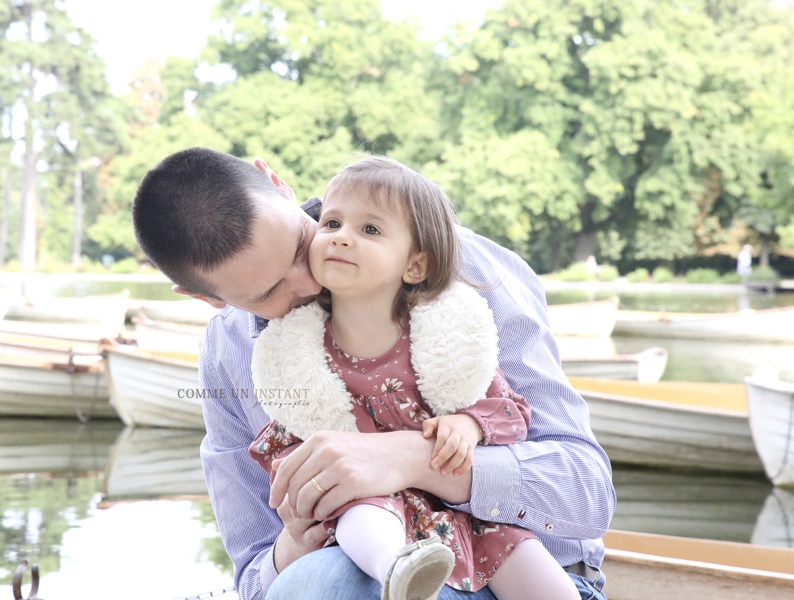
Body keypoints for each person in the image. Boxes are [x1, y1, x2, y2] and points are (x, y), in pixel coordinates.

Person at [131, 147, 615, 600]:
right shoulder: (227, 352)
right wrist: (294, 542)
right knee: (326, 577)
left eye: (303, 242)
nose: (311, 278)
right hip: (346, 574)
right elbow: (257, 582)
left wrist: (416, 459)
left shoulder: (449, 264)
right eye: (270, 291)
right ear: (208, 299)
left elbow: (588, 495)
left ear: (276, 183)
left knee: (334, 581)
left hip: (525, 580)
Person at [247, 156, 579, 600]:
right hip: (370, 506)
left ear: (415, 266)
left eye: (369, 230)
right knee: (360, 519)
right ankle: (398, 570)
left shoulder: (444, 335)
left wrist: (469, 425)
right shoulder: (301, 349)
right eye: (330, 223)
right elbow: (293, 434)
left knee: (544, 580)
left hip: (466, 516)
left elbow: (505, 407)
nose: (341, 237)